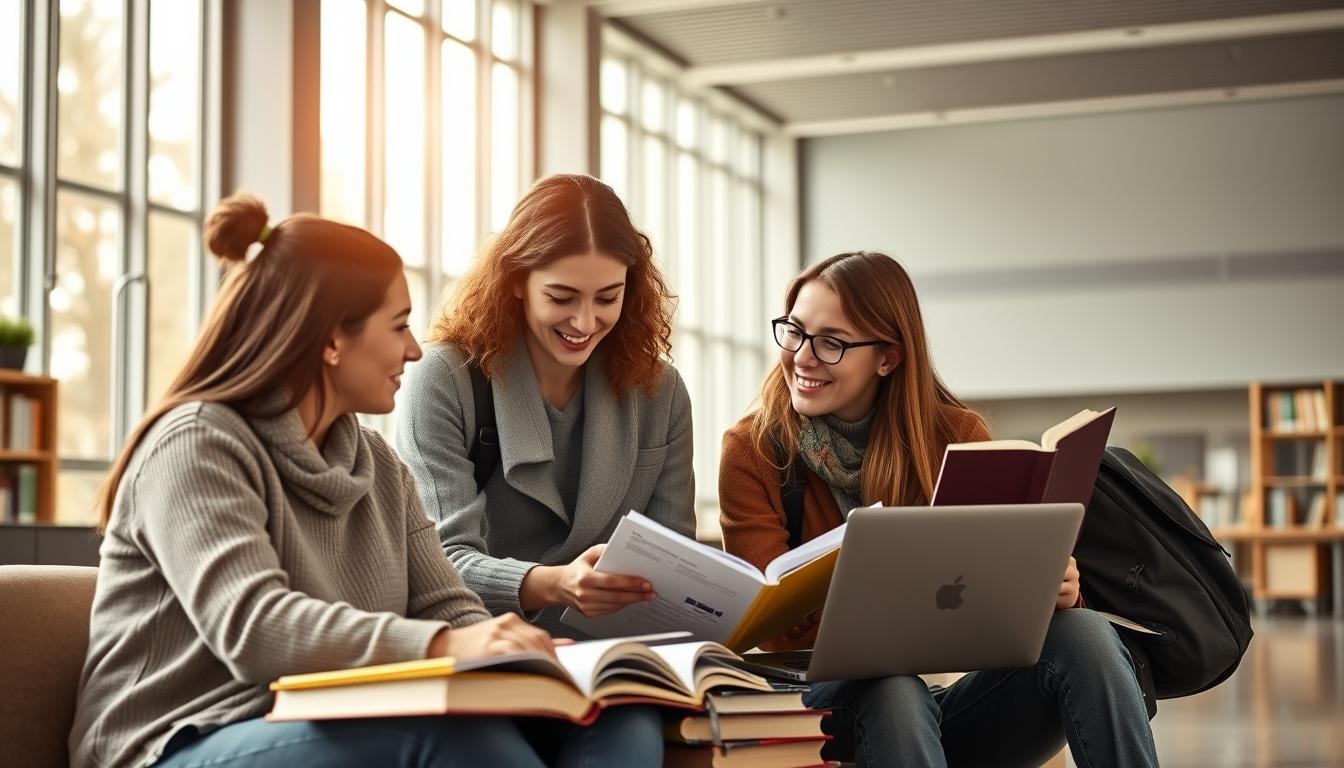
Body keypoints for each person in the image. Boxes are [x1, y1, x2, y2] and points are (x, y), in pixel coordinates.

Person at [68, 193, 628, 768]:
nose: (414, 351)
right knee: (459, 744)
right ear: (333, 339)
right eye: (399, 326)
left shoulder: (379, 466)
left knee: (614, 718)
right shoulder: (196, 444)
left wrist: (533, 666)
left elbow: (446, 606)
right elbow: (254, 626)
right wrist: (445, 647)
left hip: (334, 718)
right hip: (180, 738)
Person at [718, 251, 1159, 768]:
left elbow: (982, 609)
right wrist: (869, 599)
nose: (802, 357)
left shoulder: (954, 436)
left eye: (831, 343)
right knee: (892, 686)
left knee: (1085, 636)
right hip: (819, 709)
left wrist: (1045, 591)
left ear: (887, 357)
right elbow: (767, 627)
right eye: (794, 332)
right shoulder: (753, 450)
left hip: (930, 712)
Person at [396, 173, 691, 764]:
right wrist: (551, 583)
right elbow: (439, 563)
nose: (585, 321)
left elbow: (673, 555)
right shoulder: (447, 379)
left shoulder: (660, 393)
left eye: (608, 297)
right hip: (484, 660)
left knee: (632, 741)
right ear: (515, 283)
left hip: (610, 672)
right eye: (562, 297)